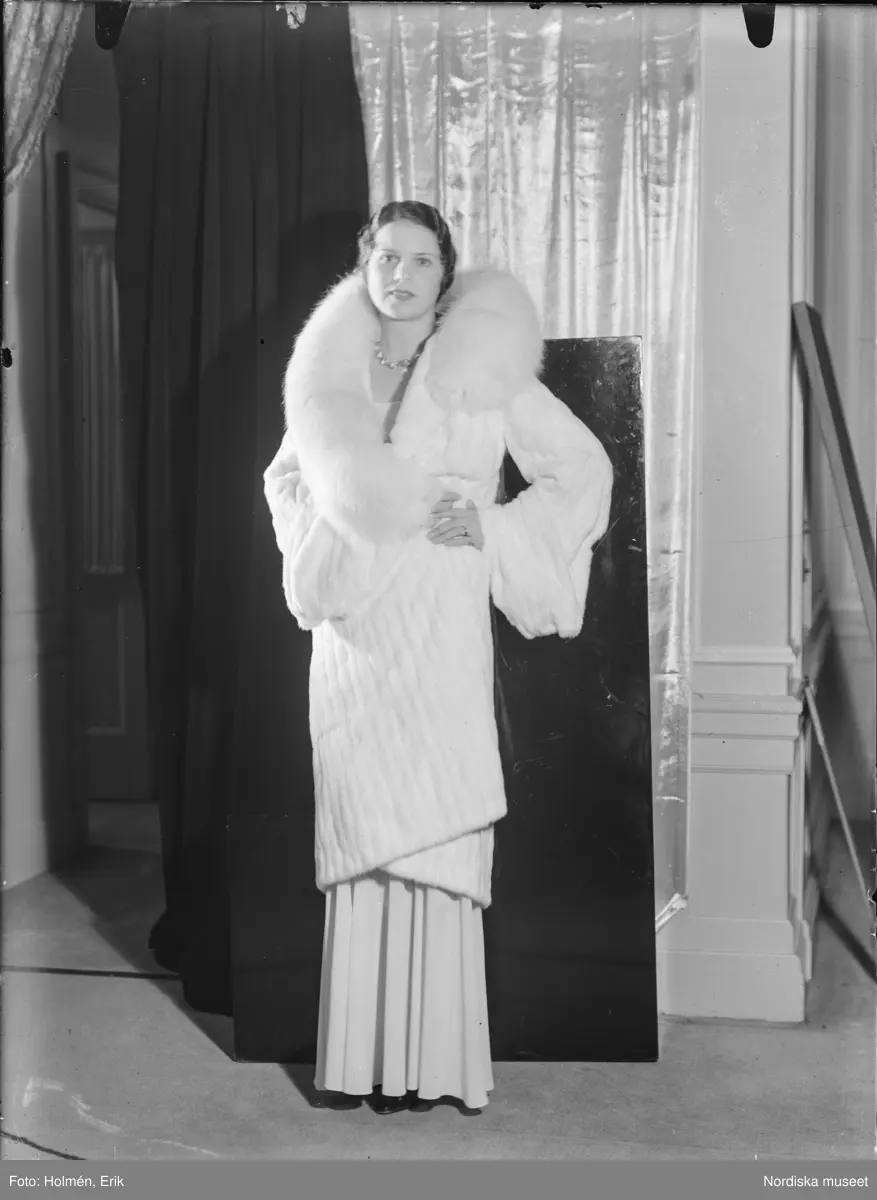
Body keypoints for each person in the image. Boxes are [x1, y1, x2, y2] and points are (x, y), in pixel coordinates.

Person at [263, 201, 613, 1115]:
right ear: (364, 264)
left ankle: (432, 1065)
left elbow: (581, 469)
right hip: (355, 631)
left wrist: (490, 525)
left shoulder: (479, 365)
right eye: (386, 256)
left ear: (444, 274)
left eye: (421, 260)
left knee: (438, 822)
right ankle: (360, 1064)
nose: (401, 275)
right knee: (364, 833)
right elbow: (285, 479)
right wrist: (335, 530)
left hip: (439, 616)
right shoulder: (327, 373)